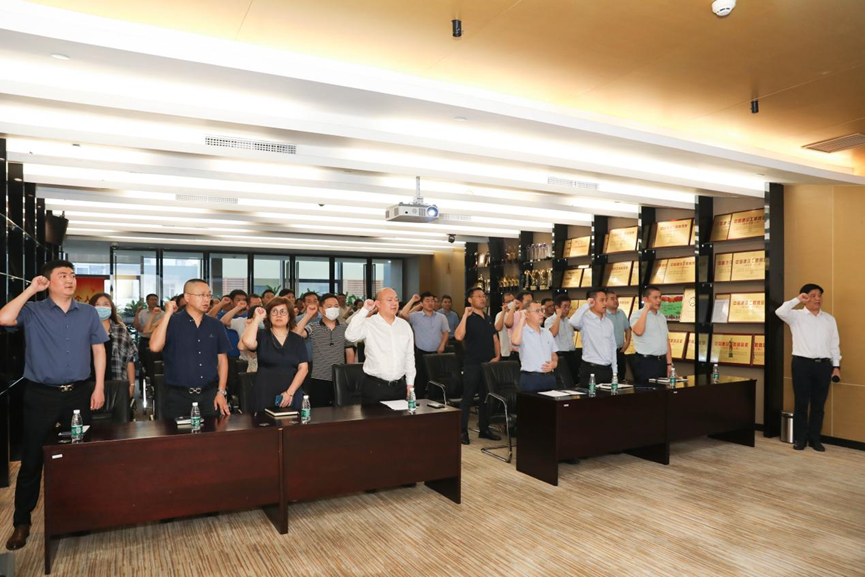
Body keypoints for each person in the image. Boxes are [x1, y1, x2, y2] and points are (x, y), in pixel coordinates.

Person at [0, 260, 107, 551]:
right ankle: (22, 522)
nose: (70, 280)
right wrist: (30, 290)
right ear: (48, 281)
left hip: (78, 394)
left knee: (79, 458)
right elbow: (4, 318)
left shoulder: (88, 312)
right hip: (41, 395)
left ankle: (77, 516)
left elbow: (98, 349)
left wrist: (98, 386)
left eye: (72, 275)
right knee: (32, 460)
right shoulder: (33, 310)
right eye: (63, 275)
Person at [149, 279, 231, 421]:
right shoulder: (172, 321)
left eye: (209, 295)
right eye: (201, 295)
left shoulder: (216, 325)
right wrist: (167, 314)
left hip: (209, 395)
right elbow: (154, 347)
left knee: (212, 433)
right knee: (176, 434)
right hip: (178, 396)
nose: (206, 299)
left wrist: (221, 391)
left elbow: (222, 361)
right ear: (187, 297)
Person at [775, 284, 841, 452]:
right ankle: (800, 439)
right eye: (813, 295)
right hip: (802, 365)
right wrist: (797, 300)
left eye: (819, 295)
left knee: (819, 405)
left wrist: (836, 366)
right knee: (801, 403)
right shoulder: (795, 316)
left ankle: (815, 439)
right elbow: (779, 311)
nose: (817, 298)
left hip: (823, 366)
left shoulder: (829, 319)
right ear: (805, 297)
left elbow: (834, 345)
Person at [345, 288, 415, 404]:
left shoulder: (404, 325)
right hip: (375, 387)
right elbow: (350, 336)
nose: (394, 303)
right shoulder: (369, 323)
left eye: (396, 300)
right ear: (378, 304)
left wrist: (410, 384)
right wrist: (364, 310)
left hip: (400, 387)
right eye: (389, 300)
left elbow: (409, 356)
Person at [241, 297, 309, 411]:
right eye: (274, 311)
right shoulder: (262, 335)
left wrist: (290, 392)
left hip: (291, 390)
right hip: (264, 390)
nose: (278, 315)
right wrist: (257, 319)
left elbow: (304, 368)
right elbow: (247, 342)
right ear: (268, 316)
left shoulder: (297, 339)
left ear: (290, 316)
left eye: (283, 311)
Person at [454, 287, 502, 445]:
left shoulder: (488, 318)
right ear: (470, 300)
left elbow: (495, 339)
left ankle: (484, 428)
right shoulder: (468, 318)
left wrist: (497, 356)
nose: (483, 298)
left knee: (485, 398)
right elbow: (458, 336)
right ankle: (462, 431)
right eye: (478, 296)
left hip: (488, 364)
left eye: (484, 296)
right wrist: (464, 316)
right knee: (468, 398)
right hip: (473, 363)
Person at [294, 293, 355, 407]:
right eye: (329, 306)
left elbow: (349, 351)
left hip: (340, 377)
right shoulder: (313, 327)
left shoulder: (345, 328)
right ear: (321, 309)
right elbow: (296, 334)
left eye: (336, 306)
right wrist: (308, 315)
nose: (333, 309)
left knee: (342, 411)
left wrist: (349, 373)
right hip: (318, 377)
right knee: (319, 412)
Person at [400, 292, 449, 399]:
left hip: (437, 353)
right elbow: (403, 314)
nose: (431, 303)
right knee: (420, 381)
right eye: (427, 301)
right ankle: (419, 402)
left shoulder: (441, 317)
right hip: (421, 353)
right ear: (421, 303)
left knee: (436, 380)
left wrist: (442, 345)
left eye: (432, 301)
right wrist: (413, 300)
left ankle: (436, 402)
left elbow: (446, 332)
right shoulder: (416, 316)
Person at [90, 293, 137, 399]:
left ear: (111, 308)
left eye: (106, 304)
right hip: (90, 383)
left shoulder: (120, 330)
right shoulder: (85, 330)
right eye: (97, 304)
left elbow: (129, 360)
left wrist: (132, 385)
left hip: (116, 382)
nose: (101, 307)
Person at [567, 289, 617, 386]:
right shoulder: (585, 319)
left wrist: (614, 371)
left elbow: (612, 346)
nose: (605, 303)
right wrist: (586, 305)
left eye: (606, 300)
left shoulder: (608, 322)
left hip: (608, 370)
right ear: (592, 301)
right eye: (602, 300)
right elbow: (572, 322)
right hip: (591, 369)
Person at [511, 300, 558, 392]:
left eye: (542, 310)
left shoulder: (547, 332)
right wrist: (522, 319)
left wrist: (554, 363)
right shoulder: (522, 332)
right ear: (527, 314)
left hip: (549, 378)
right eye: (537, 311)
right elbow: (515, 341)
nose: (541, 314)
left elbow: (554, 354)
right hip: (531, 379)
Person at [629, 286, 672, 382]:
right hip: (645, 363)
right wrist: (646, 309)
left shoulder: (661, 316)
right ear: (645, 299)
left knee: (662, 390)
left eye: (660, 297)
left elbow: (666, 341)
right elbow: (638, 331)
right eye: (655, 297)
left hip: (661, 362)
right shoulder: (637, 315)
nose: (659, 300)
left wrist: (669, 364)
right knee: (647, 390)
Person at [133, 293, 162, 392]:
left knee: (156, 366)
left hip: (158, 342)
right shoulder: (142, 313)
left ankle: (156, 388)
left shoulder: (162, 314)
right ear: (147, 301)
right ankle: (143, 389)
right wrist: (137, 313)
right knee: (143, 365)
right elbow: (137, 326)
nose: (154, 301)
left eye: (155, 299)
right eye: (152, 299)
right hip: (145, 341)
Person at [545, 294, 579, 378]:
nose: (567, 310)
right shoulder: (549, 320)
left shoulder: (569, 321)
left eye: (569, 307)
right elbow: (553, 333)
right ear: (557, 307)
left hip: (572, 354)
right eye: (565, 307)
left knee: (574, 378)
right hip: (560, 355)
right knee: (563, 379)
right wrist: (558, 316)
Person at [211, 289, 248, 358]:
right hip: (227, 354)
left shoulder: (248, 316)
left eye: (244, 300)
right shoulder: (224, 315)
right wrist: (221, 303)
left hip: (244, 355)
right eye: (238, 300)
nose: (242, 302)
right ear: (231, 302)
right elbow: (209, 318)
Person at [606, 290, 631, 382]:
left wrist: (627, 342)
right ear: (605, 301)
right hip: (608, 352)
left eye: (616, 298)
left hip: (620, 350)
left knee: (621, 375)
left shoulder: (621, 312)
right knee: (610, 377)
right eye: (612, 299)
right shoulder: (603, 315)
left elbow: (627, 329)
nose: (615, 301)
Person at [504, 291, 534, 363]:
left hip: (530, 353)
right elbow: (508, 324)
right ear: (520, 302)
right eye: (528, 301)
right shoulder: (514, 315)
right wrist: (514, 305)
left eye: (531, 301)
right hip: (517, 354)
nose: (530, 303)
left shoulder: (533, 316)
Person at [494, 292, 515, 359]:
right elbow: (497, 328)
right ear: (504, 304)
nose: (511, 303)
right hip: (505, 350)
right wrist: (504, 312)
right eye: (508, 301)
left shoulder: (518, 313)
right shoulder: (500, 314)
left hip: (517, 350)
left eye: (513, 300)